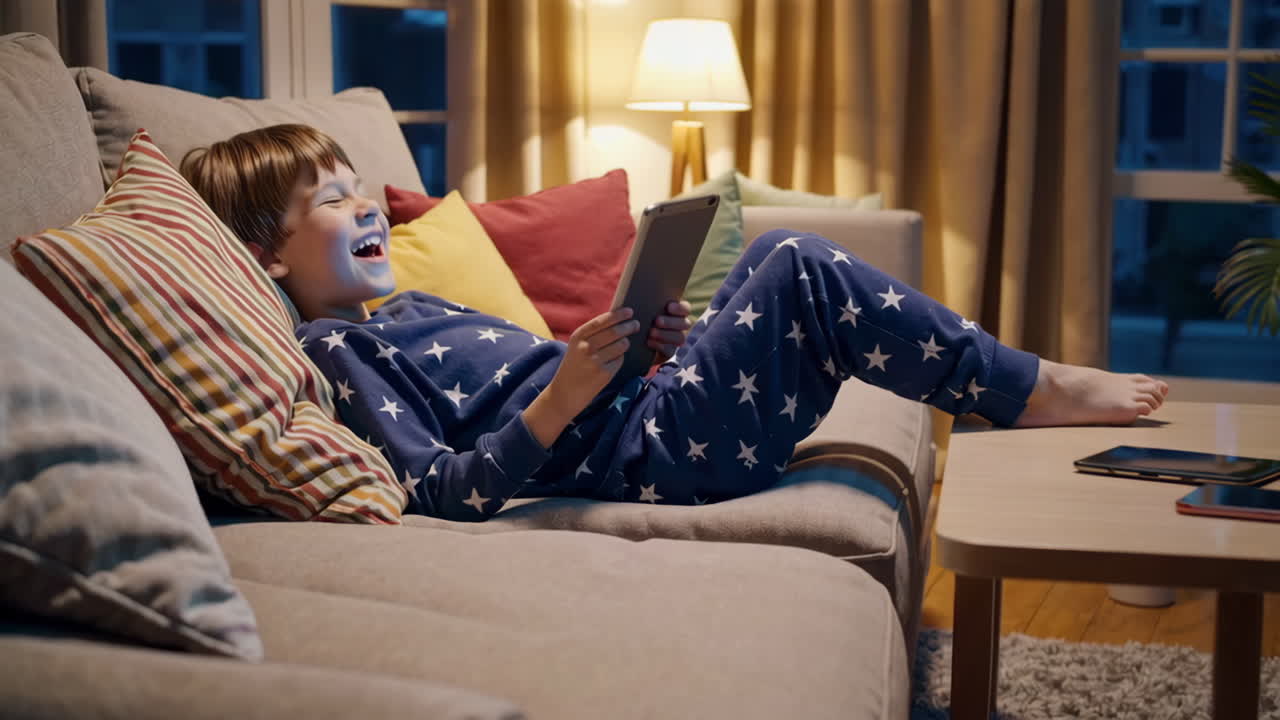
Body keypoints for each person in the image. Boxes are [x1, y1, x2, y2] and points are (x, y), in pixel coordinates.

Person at [182, 124, 1170, 521]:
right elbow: (439, 493)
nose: (363, 209)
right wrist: (564, 399)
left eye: (360, 190)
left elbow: (550, 386)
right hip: (644, 458)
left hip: (640, 408)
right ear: (267, 256)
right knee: (791, 261)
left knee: (752, 261)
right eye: (329, 201)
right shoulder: (334, 350)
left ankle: (1013, 384)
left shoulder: (403, 307)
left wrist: (641, 349)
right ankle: (1025, 388)